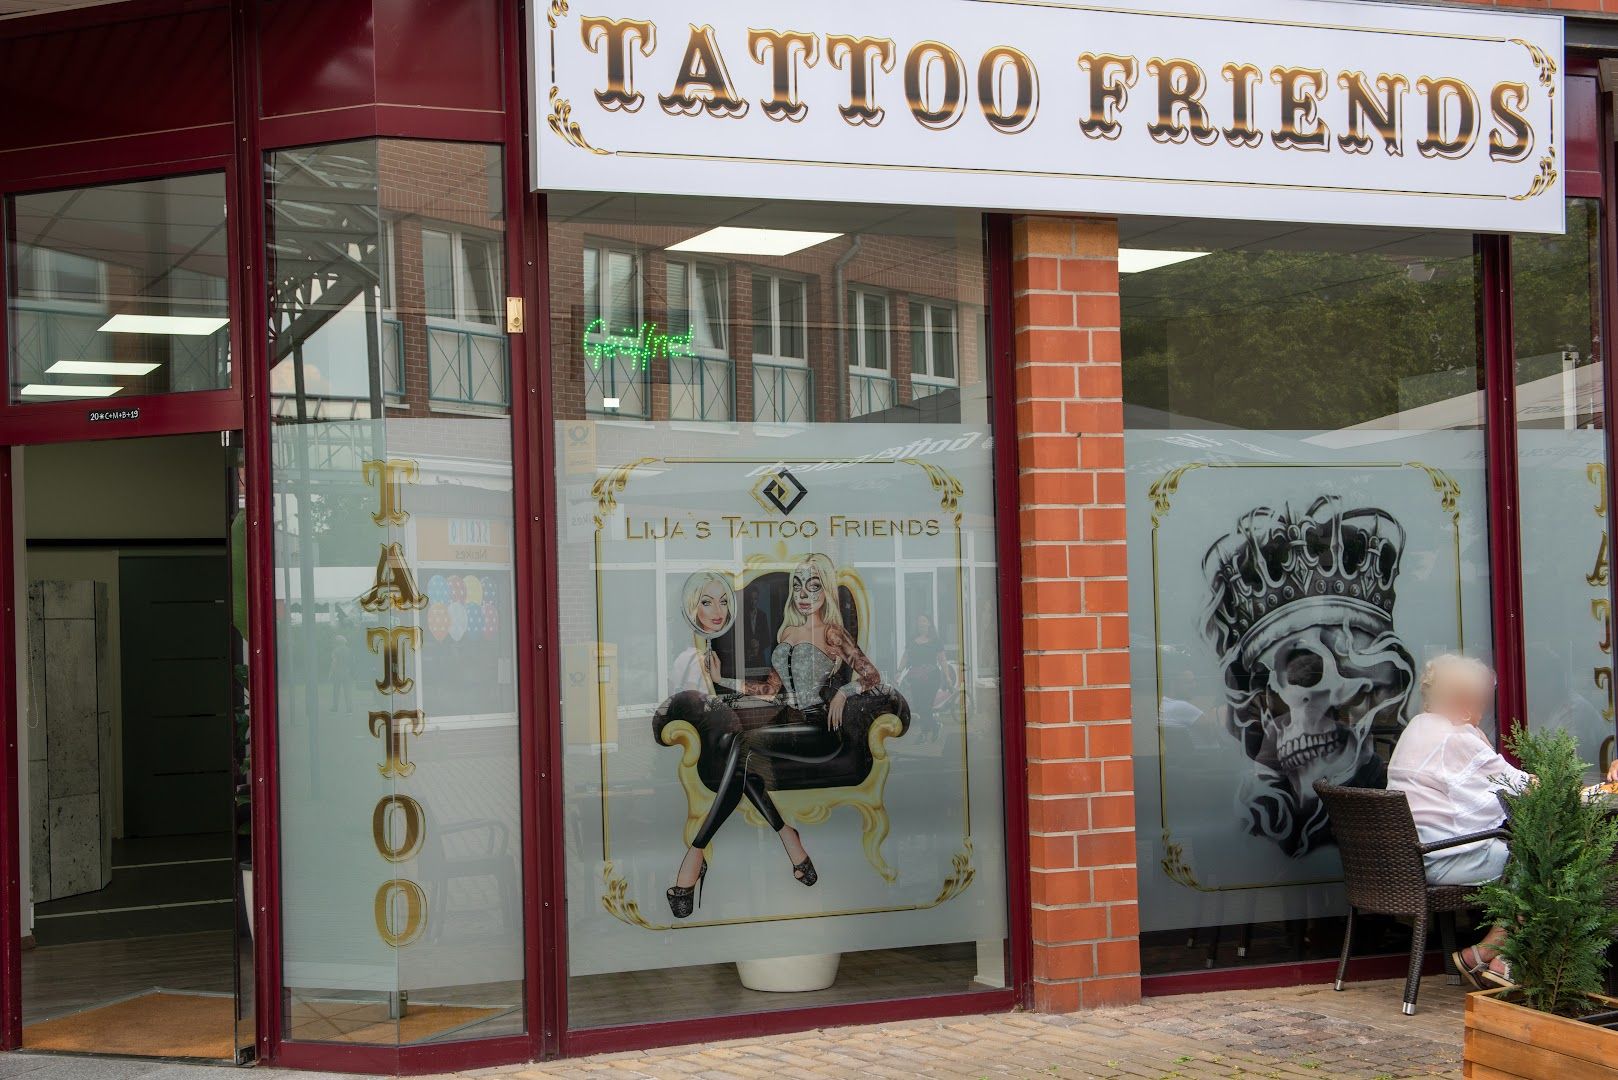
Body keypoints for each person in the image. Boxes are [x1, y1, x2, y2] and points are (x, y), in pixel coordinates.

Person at [660, 553, 909, 918]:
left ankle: (695, 854)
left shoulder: (832, 633)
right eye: (798, 586)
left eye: (813, 586)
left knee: (743, 744)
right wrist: (723, 680)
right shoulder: (786, 633)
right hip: (788, 724)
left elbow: (873, 678)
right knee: (739, 751)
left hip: (823, 729)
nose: (805, 594)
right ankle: (788, 836)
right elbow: (772, 689)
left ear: (825, 590)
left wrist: (844, 692)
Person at [1387, 653, 1528, 988]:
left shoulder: (1417, 728)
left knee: (1522, 854)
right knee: (1539, 858)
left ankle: (1483, 956)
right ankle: (1500, 958)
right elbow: (1519, 787)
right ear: (1466, 703)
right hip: (1442, 860)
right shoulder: (1457, 736)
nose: (1484, 714)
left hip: (1409, 861)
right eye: (1483, 704)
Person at [668, 571, 733, 695]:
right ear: (693, 606)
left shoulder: (694, 655)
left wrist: (718, 680)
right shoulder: (692, 658)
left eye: (723, 601)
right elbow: (695, 703)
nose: (718, 611)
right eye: (706, 602)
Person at [900, 614, 943, 727]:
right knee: (918, 706)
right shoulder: (912, 640)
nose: (921, 623)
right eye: (919, 621)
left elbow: (942, 660)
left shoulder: (935, 641)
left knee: (926, 705)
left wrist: (947, 677)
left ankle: (927, 731)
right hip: (916, 678)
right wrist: (899, 671)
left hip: (932, 677)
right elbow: (906, 656)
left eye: (924, 620)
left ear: (929, 623)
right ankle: (934, 726)